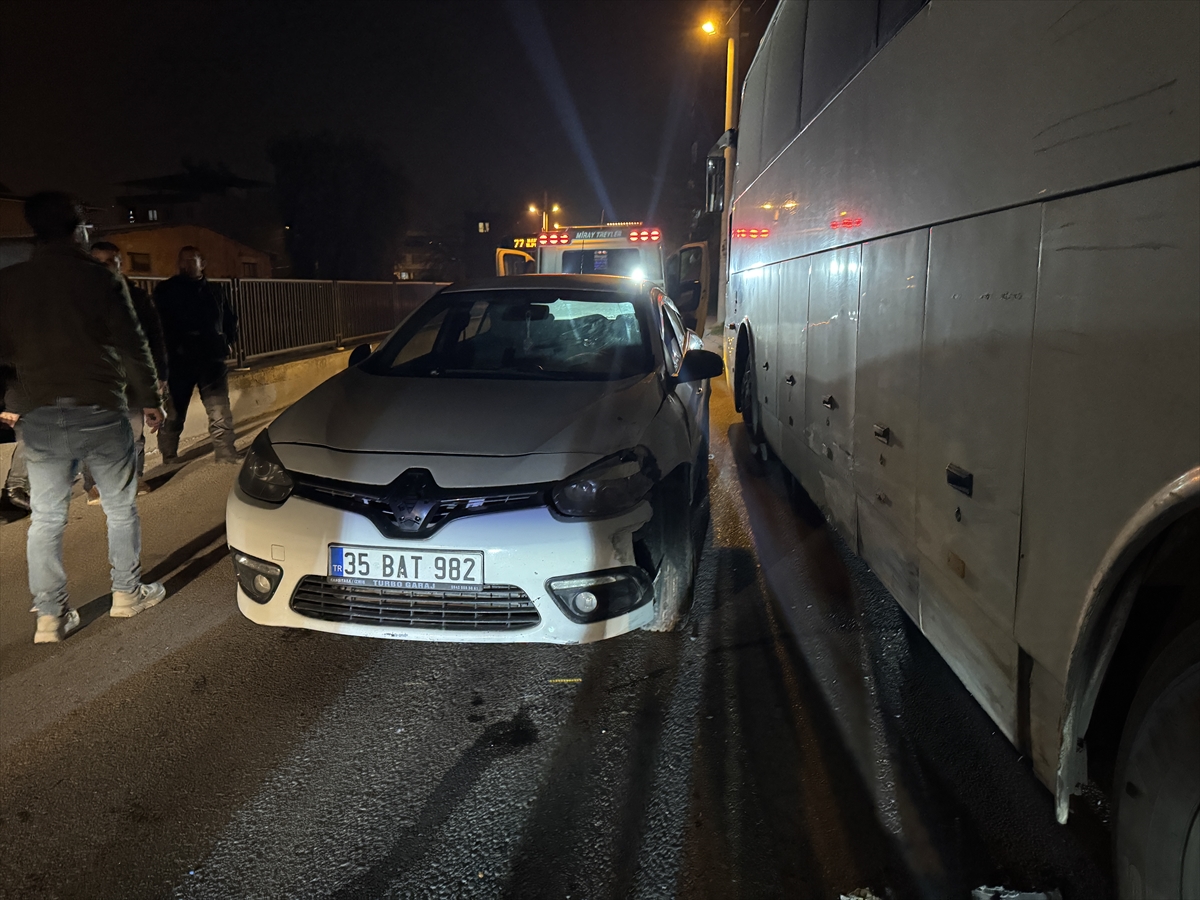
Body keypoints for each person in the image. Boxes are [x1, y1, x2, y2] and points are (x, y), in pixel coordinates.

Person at [0, 191, 168, 643]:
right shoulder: (100, 279)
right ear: (78, 229)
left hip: (38, 415)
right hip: (101, 408)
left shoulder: (10, 282)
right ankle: (127, 594)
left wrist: (9, 398)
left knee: (47, 518)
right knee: (119, 508)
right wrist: (150, 398)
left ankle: (51, 617)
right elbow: (134, 345)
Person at [81, 241, 170, 502]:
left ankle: (134, 478)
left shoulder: (138, 298)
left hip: (132, 378)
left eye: (110, 261)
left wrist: (160, 376)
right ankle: (94, 485)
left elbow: (155, 337)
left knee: (134, 434)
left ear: (120, 263)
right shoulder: (78, 299)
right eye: (98, 262)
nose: (105, 267)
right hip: (94, 379)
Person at [153, 246, 238, 463]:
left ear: (203, 263)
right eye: (182, 260)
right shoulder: (165, 290)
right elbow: (157, 326)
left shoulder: (215, 291)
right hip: (179, 360)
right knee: (174, 411)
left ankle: (225, 451)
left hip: (211, 357)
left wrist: (228, 341)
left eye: (192, 260)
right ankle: (169, 453)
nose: (186, 264)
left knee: (219, 408)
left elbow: (230, 319)